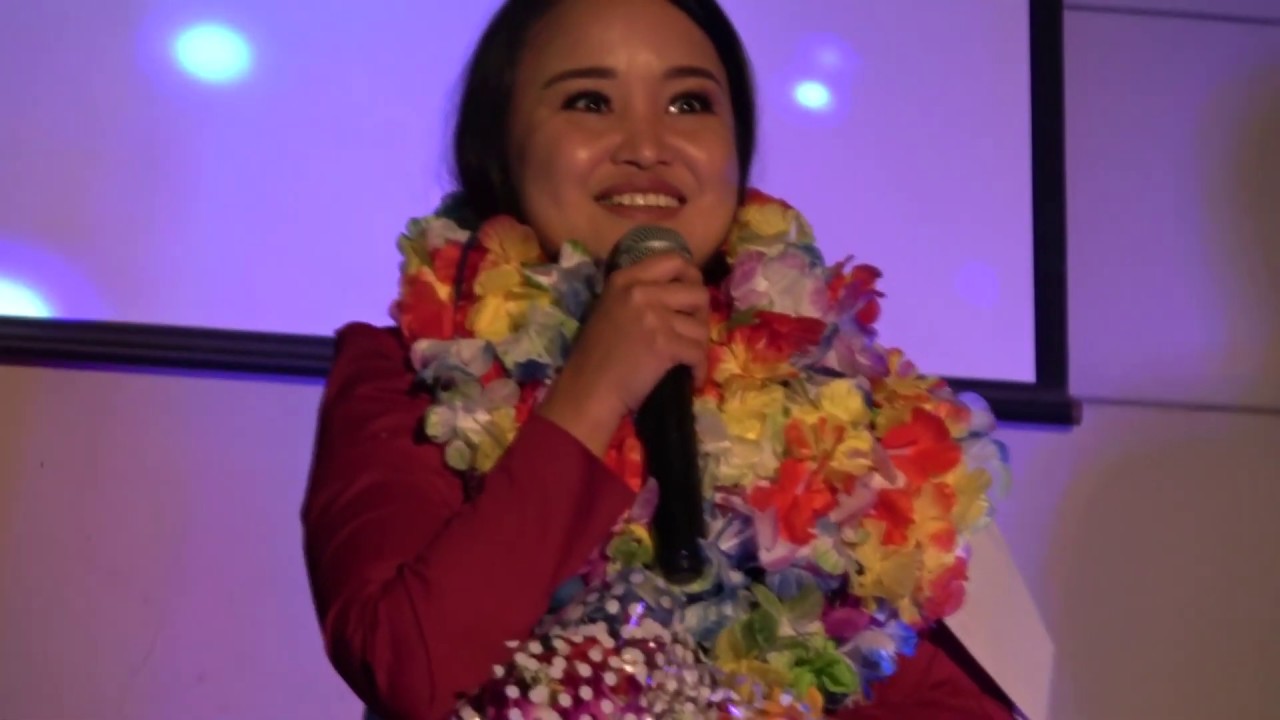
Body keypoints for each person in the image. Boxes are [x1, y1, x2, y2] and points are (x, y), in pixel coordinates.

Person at [302, 1, 1018, 718]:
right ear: (501, 144)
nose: (647, 146)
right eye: (590, 101)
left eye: (688, 103)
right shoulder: (406, 377)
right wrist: (593, 390)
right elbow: (410, 664)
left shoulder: (834, 410)